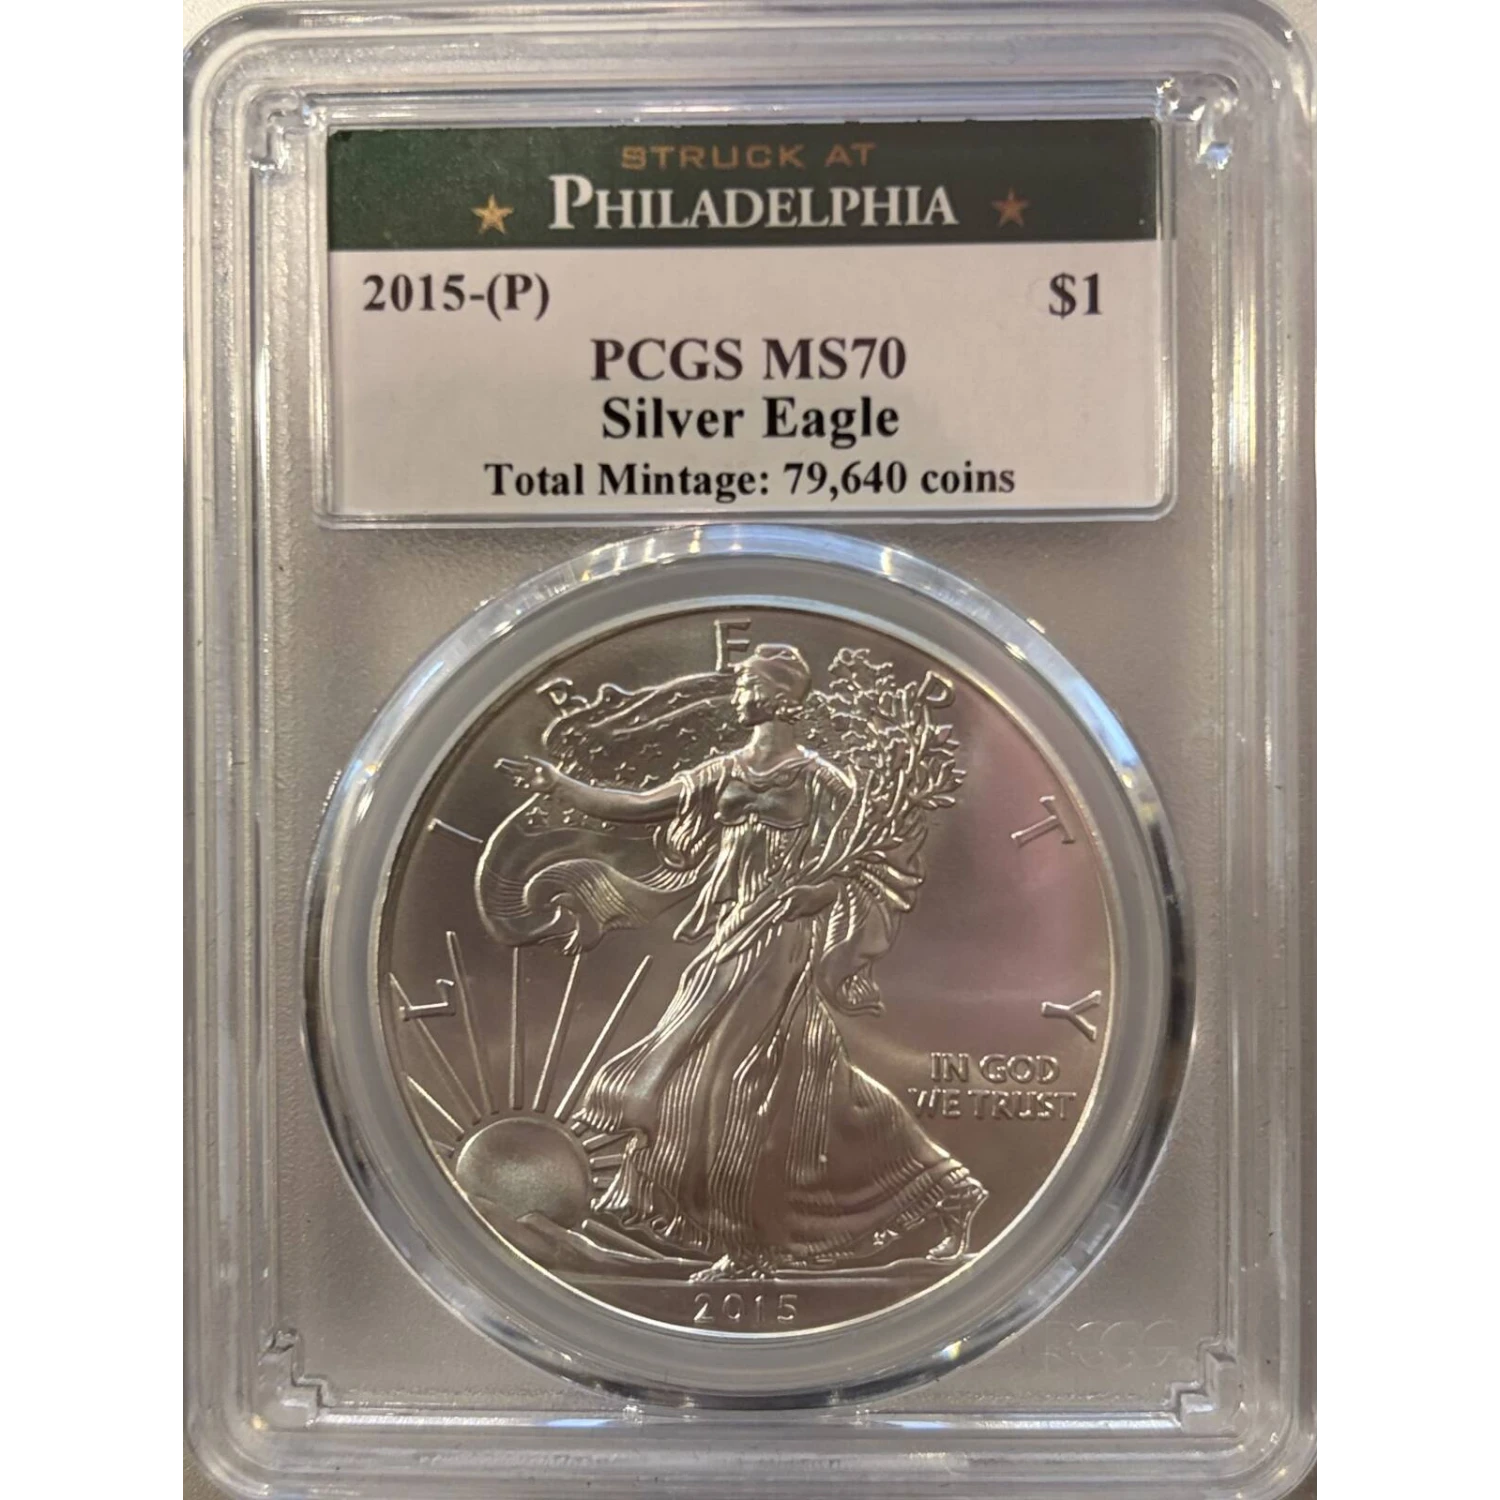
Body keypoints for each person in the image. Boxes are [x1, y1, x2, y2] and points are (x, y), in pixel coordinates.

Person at [513, 644, 986, 1278]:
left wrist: (820, 891)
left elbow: (877, 856)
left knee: (729, 1081)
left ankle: (746, 1245)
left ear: (775, 695)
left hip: (782, 937)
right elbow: (639, 806)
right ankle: (946, 1188)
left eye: (743, 685)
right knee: (814, 1085)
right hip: (735, 926)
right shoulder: (721, 771)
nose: (735, 695)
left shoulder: (823, 780)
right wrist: (561, 786)